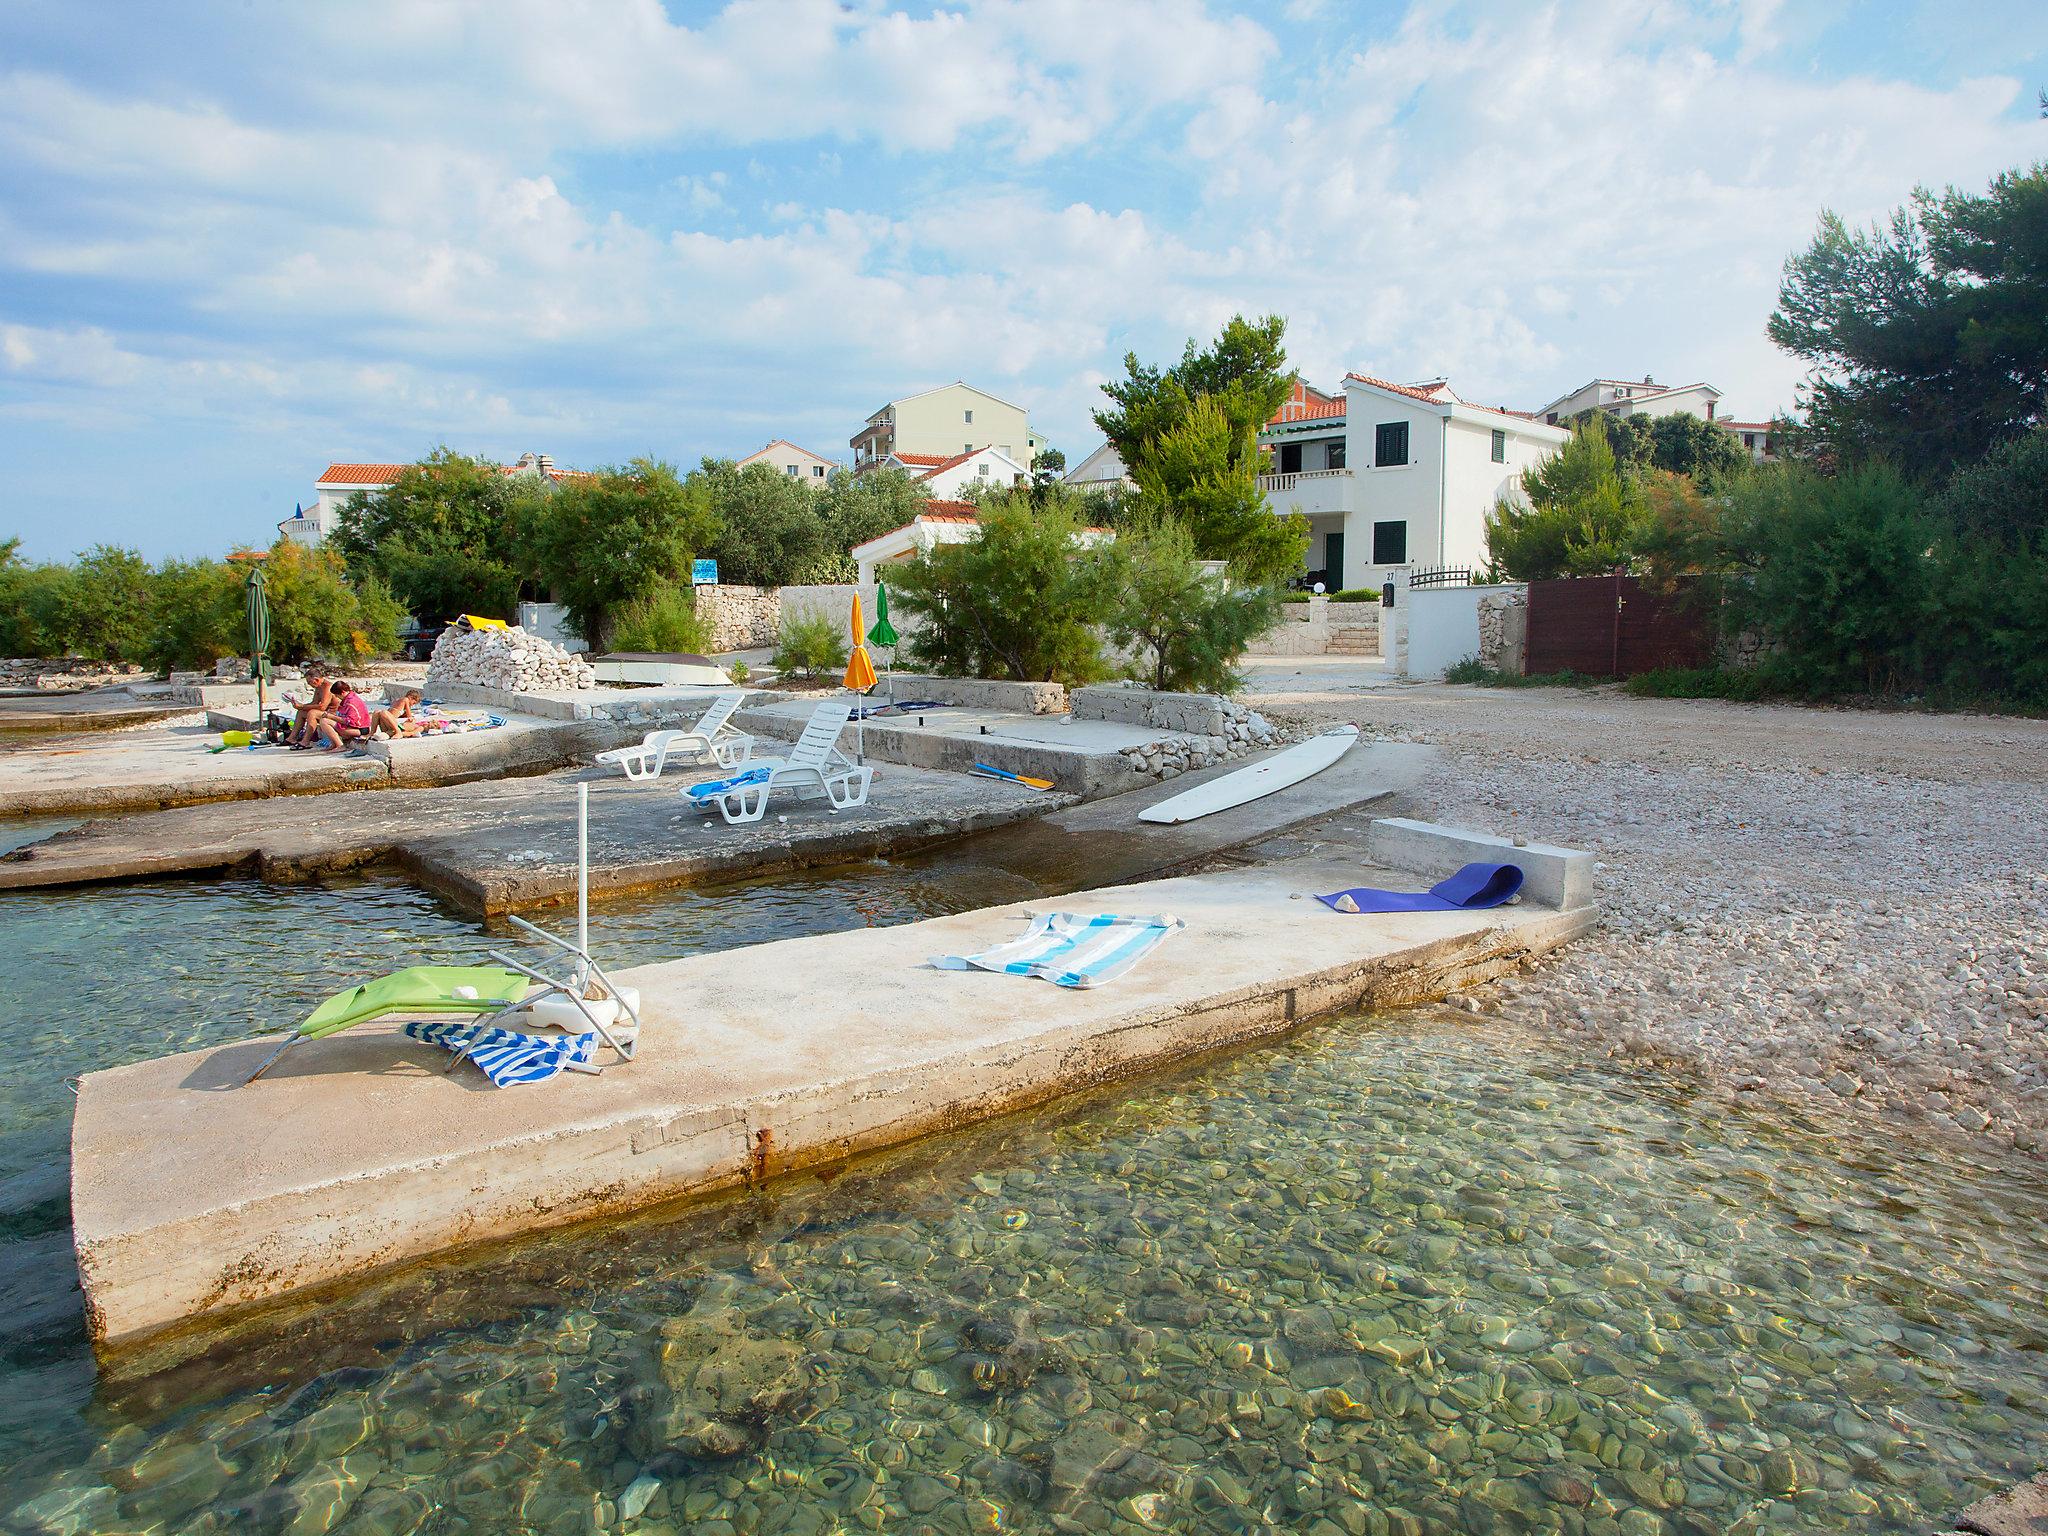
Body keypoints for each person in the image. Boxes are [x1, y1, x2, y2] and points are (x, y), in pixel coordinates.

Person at [313, 680, 372, 752]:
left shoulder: (351, 702)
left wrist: (331, 717)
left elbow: (349, 721)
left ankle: (340, 745)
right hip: (354, 727)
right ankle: (334, 744)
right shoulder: (349, 699)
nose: (337, 697)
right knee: (324, 719)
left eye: (337, 695)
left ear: (342, 692)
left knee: (324, 721)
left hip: (360, 730)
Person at [286, 665, 335, 747]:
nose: (310, 685)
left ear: (316, 679)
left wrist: (302, 706)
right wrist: (301, 706)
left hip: (333, 713)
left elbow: (322, 706)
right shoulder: (319, 687)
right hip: (325, 713)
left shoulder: (327, 687)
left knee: (312, 713)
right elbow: (314, 702)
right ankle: (291, 738)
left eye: (310, 682)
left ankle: (305, 741)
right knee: (301, 712)